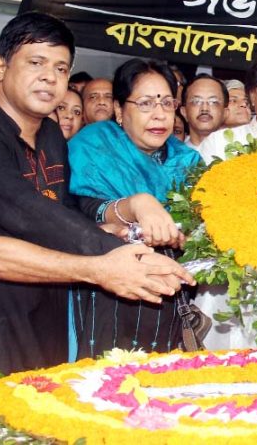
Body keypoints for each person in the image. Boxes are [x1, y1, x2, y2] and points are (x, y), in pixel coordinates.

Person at [0, 13, 191, 392]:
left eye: (60, 67)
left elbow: (65, 208)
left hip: (42, 328)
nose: (49, 77)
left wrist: (117, 221)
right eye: (36, 63)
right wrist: (132, 259)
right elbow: (30, 213)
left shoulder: (52, 134)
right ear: (1, 65)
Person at [68, 59, 201, 358]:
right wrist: (136, 206)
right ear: (118, 110)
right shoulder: (92, 147)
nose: (159, 114)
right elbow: (85, 210)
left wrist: (191, 238)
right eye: (145, 103)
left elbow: (201, 231)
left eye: (167, 103)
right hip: (107, 293)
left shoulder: (189, 163)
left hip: (169, 297)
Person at [182, 74, 228, 148]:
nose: (205, 108)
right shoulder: (173, 157)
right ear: (184, 112)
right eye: (196, 101)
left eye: (213, 102)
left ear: (225, 113)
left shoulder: (239, 154)